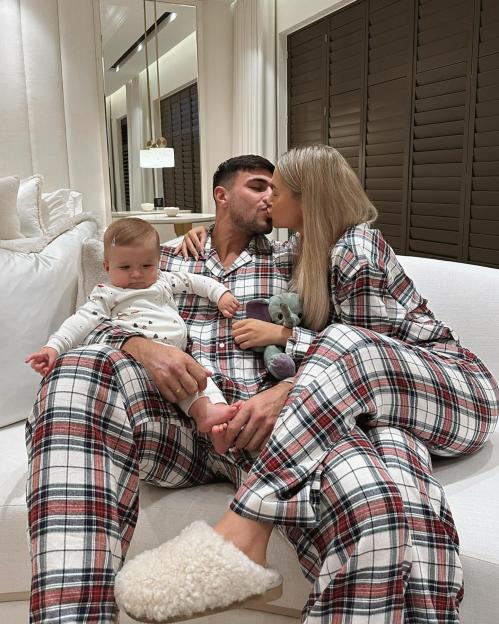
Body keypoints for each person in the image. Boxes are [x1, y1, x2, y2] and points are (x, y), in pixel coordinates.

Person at [25, 153, 495, 624]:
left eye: (279, 189)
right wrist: (138, 345)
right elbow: (97, 317)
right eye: (257, 186)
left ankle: (251, 535)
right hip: (181, 422)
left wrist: (290, 383)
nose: (271, 197)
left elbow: (360, 348)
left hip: (276, 427)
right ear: (221, 196)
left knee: (372, 499)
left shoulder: (305, 259)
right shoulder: (158, 258)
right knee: (78, 371)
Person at [25, 217, 240, 447]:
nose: (136, 274)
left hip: (179, 356)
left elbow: (196, 282)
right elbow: (80, 322)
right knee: (188, 387)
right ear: (107, 267)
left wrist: (220, 294)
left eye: (146, 266)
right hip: (137, 364)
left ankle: (217, 426)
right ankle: (206, 417)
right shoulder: (107, 294)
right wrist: (54, 347)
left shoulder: (163, 280)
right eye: (125, 267)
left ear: (157, 262)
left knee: (201, 378)